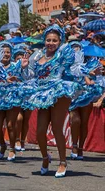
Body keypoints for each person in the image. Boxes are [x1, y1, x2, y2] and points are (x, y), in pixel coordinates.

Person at [22, 24, 83, 178]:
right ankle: (45, 158)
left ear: (60, 41)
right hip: (43, 94)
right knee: (40, 131)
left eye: (54, 40)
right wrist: (24, 67)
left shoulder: (63, 55)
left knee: (57, 129)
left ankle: (62, 162)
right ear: (44, 40)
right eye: (48, 40)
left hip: (58, 92)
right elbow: (30, 75)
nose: (50, 43)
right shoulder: (37, 56)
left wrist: (86, 71)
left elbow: (74, 68)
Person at [67, 41, 103, 161]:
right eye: (73, 49)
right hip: (72, 95)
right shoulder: (67, 64)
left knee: (84, 122)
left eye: (77, 49)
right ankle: (74, 145)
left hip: (86, 94)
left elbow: (98, 80)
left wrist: (92, 78)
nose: (75, 51)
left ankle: (81, 147)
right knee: (75, 120)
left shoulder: (92, 63)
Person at [0, 42, 24, 161]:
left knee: (10, 124)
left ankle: (12, 148)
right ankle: (3, 145)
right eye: (3, 52)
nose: (6, 54)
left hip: (13, 97)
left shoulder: (16, 66)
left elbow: (25, 77)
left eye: (8, 52)